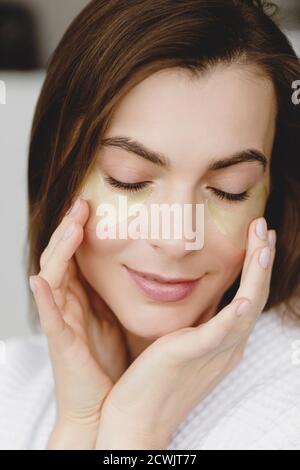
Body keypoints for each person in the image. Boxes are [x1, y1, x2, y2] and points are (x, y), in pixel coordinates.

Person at [1, 0, 300, 450]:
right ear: (55, 169)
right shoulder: (10, 385)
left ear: (272, 195)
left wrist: (132, 435)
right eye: (130, 180)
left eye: (229, 189)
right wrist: (82, 426)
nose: (177, 238)